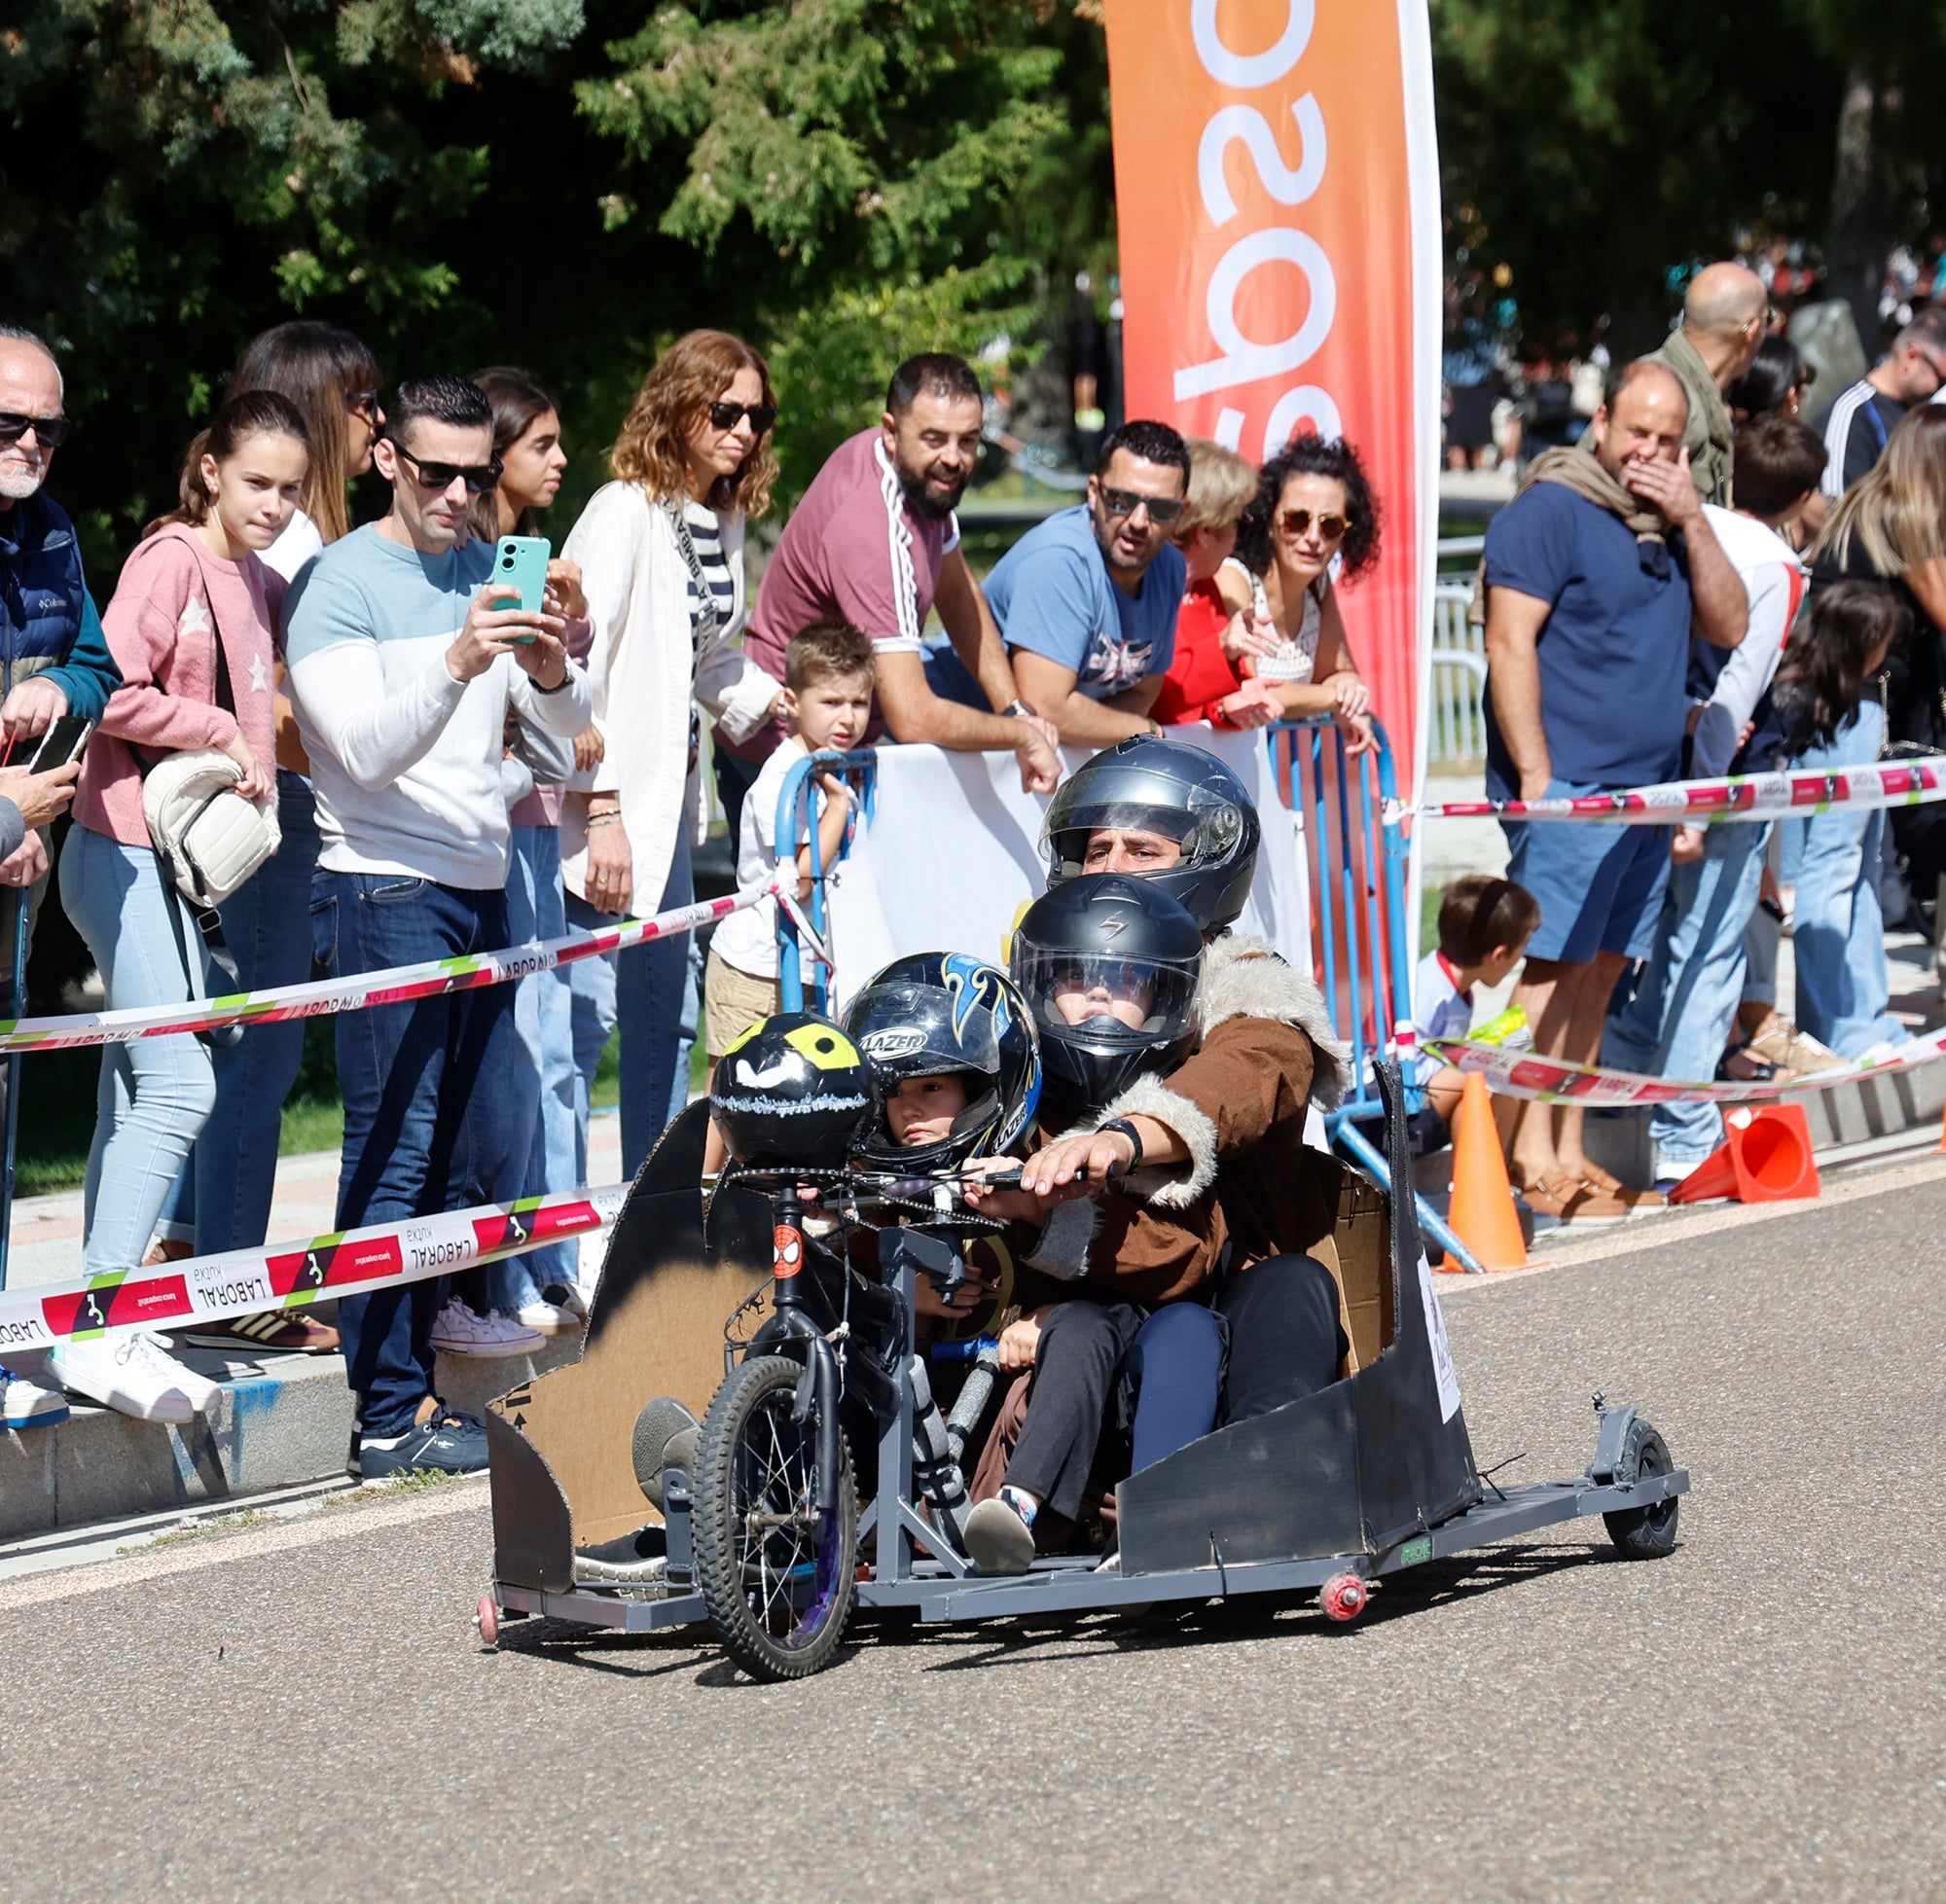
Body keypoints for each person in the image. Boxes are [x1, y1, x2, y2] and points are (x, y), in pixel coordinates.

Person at [284, 372, 593, 1476]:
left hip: (482, 880)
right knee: (396, 1144)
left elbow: (562, 755)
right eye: (436, 472)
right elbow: (360, 753)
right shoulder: (336, 584)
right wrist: (462, 659)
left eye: (475, 471)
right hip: (381, 884)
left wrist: (554, 676)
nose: (460, 495)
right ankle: (382, 1414)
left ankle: (414, 1386)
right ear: (386, 460)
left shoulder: (485, 570)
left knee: (463, 1143)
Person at [44, 391, 307, 1422]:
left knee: (133, 1092)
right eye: (256, 483)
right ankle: (103, 1329)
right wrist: (215, 730)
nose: (275, 504)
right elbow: (105, 683)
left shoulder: (255, 578)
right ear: (209, 471)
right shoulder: (168, 560)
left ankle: (109, 1318)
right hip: (113, 846)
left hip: (164, 863)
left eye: (289, 489)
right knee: (182, 1082)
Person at [156, 319, 387, 1344]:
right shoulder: (288, 540)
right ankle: (232, 1294)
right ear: (312, 402)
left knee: (239, 1038)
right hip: (270, 810)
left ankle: (199, 1240)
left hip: (262, 807)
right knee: (261, 1043)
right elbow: (282, 699)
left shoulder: (286, 534)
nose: (376, 419)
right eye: (363, 400)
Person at [1014, 738, 1351, 1434]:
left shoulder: (1250, 986)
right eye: (1098, 848)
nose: (1112, 868)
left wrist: (1126, 1135)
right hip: (1071, 1296)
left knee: (1295, 1284)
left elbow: (1240, 1078)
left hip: (1223, 1294)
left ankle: (1273, 1472)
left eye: (1143, 850)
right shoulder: (1047, 969)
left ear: (1204, 863)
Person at [1482, 358, 1748, 1223]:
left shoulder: (1669, 524)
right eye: (1638, 432)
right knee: (1550, 973)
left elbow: (1731, 623)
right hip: (1571, 794)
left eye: (1670, 440)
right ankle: (1519, 1154)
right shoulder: (1551, 507)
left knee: (1598, 977)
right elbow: (1508, 644)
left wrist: (1691, 516)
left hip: (1645, 794)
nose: (1652, 451)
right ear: (1600, 420)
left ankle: (1567, 1150)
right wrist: (1536, 781)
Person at [559, 330, 790, 1180]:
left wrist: (776, 700)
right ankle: (552, 1251)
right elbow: (573, 665)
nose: (742, 429)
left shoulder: (719, 515)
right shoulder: (623, 509)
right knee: (578, 1029)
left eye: (756, 415)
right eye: (724, 410)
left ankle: (646, 1209)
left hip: (670, 812)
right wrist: (603, 805)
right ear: (677, 406)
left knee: (667, 1021)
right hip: (606, 809)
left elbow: (707, 662)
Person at [958, 876, 1230, 1574]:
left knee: (1119, 1322)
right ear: (1043, 987)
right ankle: (1015, 1511)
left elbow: (1187, 1256)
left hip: (1171, 1347)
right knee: (1072, 1323)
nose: (1101, 994)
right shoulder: (1010, 1106)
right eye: (1079, 977)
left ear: (1163, 998)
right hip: (1066, 1357)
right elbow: (970, 1257)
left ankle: (1158, 1522)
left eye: (1127, 978)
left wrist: (1042, 1214)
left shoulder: (1179, 1102)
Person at [1602, 416, 1827, 1183]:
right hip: (1715, 782)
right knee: (1709, 950)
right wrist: (1698, 808)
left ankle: (1628, 1077)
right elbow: (1737, 696)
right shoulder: (1778, 565)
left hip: (1649, 764)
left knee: (1667, 938)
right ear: (1803, 497)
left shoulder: (1695, 530)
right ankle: (1684, 1124)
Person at [740, 353, 1058, 798]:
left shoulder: (918, 479)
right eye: (934, 439)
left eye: (967, 440)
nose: (953, 458)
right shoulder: (872, 525)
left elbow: (959, 595)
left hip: (838, 747)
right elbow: (912, 715)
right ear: (891, 431)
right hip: (784, 759)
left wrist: (1015, 710)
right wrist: (1023, 735)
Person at [470, 367, 589, 1334]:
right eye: (541, 445)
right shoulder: (463, 559)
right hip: (485, 834)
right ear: (495, 451)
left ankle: (557, 1258)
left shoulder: (534, 557)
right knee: (514, 1052)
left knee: (552, 1051)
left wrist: (568, 623)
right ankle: (507, 1268)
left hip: (541, 827)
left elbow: (564, 710)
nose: (559, 460)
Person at [703, 620, 874, 1171]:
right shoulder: (788, 776)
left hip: (803, 964)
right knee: (725, 1102)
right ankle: (687, 1207)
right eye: (830, 701)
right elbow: (798, 881)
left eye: (859, 701)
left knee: (793, 1101)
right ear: (793, 703)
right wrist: (840, 809)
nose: (847, 718)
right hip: (753, 965)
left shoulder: (828, 768)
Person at [934, 421, 1190, 747]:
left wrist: (1103, 725)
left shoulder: (1169, 567)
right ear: (1094, 491)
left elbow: (1142, 690)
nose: (1138, 521)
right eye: (1121, 500)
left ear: (1182, 512)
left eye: (1162, 508)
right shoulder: (1059, 560)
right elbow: (1047, 708)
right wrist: (1145, 731)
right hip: (940, 746)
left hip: (1027, 757)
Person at [1807, 406, 1946, 974]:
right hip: (1855, 708)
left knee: (1855, 867)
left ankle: (1858, 1012)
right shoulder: (1904, 520)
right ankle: (1839, 1016)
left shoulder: (1868, 506)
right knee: (1838, 867)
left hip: (1850, 703)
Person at [0, 323, 124, 902]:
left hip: (21, 878)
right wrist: (5, 815)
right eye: (8, 421)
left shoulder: (54, 534)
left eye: (47, 428)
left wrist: (57, 686)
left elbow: (98, 672)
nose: (29, 443)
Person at [1769, 583, 1913, 1058]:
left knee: (1859, 883)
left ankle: (1860, 1016)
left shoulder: (1800, 695)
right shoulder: (1852, 714)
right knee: (1836, 879)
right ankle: (1838, 1024)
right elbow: (1829, 864)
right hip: (1828, 849)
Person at [1223, 435, 1382, 747]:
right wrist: (1338, 698)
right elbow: (1256, 692)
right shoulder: (1234, 577)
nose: (1313, 537)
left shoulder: (1318, 585)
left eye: (1330, 525)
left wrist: (1347, 689)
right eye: (1297, 520)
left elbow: (1338, 672)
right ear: (1269, 520)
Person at [1575, 262, 1769, 507]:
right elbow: (1589, 491)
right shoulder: (1660, 395)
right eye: (1767, 318)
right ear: (1751, 330)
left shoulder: (1693, 390)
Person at [1149, 438, 1282, 731]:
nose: (1239, 536)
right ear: (1206, 530)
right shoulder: (1143, 586)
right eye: (1238, 521)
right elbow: (1157, 697)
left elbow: (1203, 699)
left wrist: (1229, 705)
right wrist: (1221, 648)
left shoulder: (1205, 591)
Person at [1413, 874, 1541, 1146]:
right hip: (1390, 1120)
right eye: (1523, 947)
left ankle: (1483, 1182)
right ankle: (1482, 1184)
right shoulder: (1425, 992)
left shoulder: (1454, 987)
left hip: (1422, 1106)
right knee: (1498, 1067)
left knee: (1499, 1069)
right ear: (1497, 956)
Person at [1812, 307, 1946, 500]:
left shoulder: (1919, 417)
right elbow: (1834, 507)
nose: (1941, 391)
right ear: (1912, 357)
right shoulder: (1853, 413)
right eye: (1942, 380)